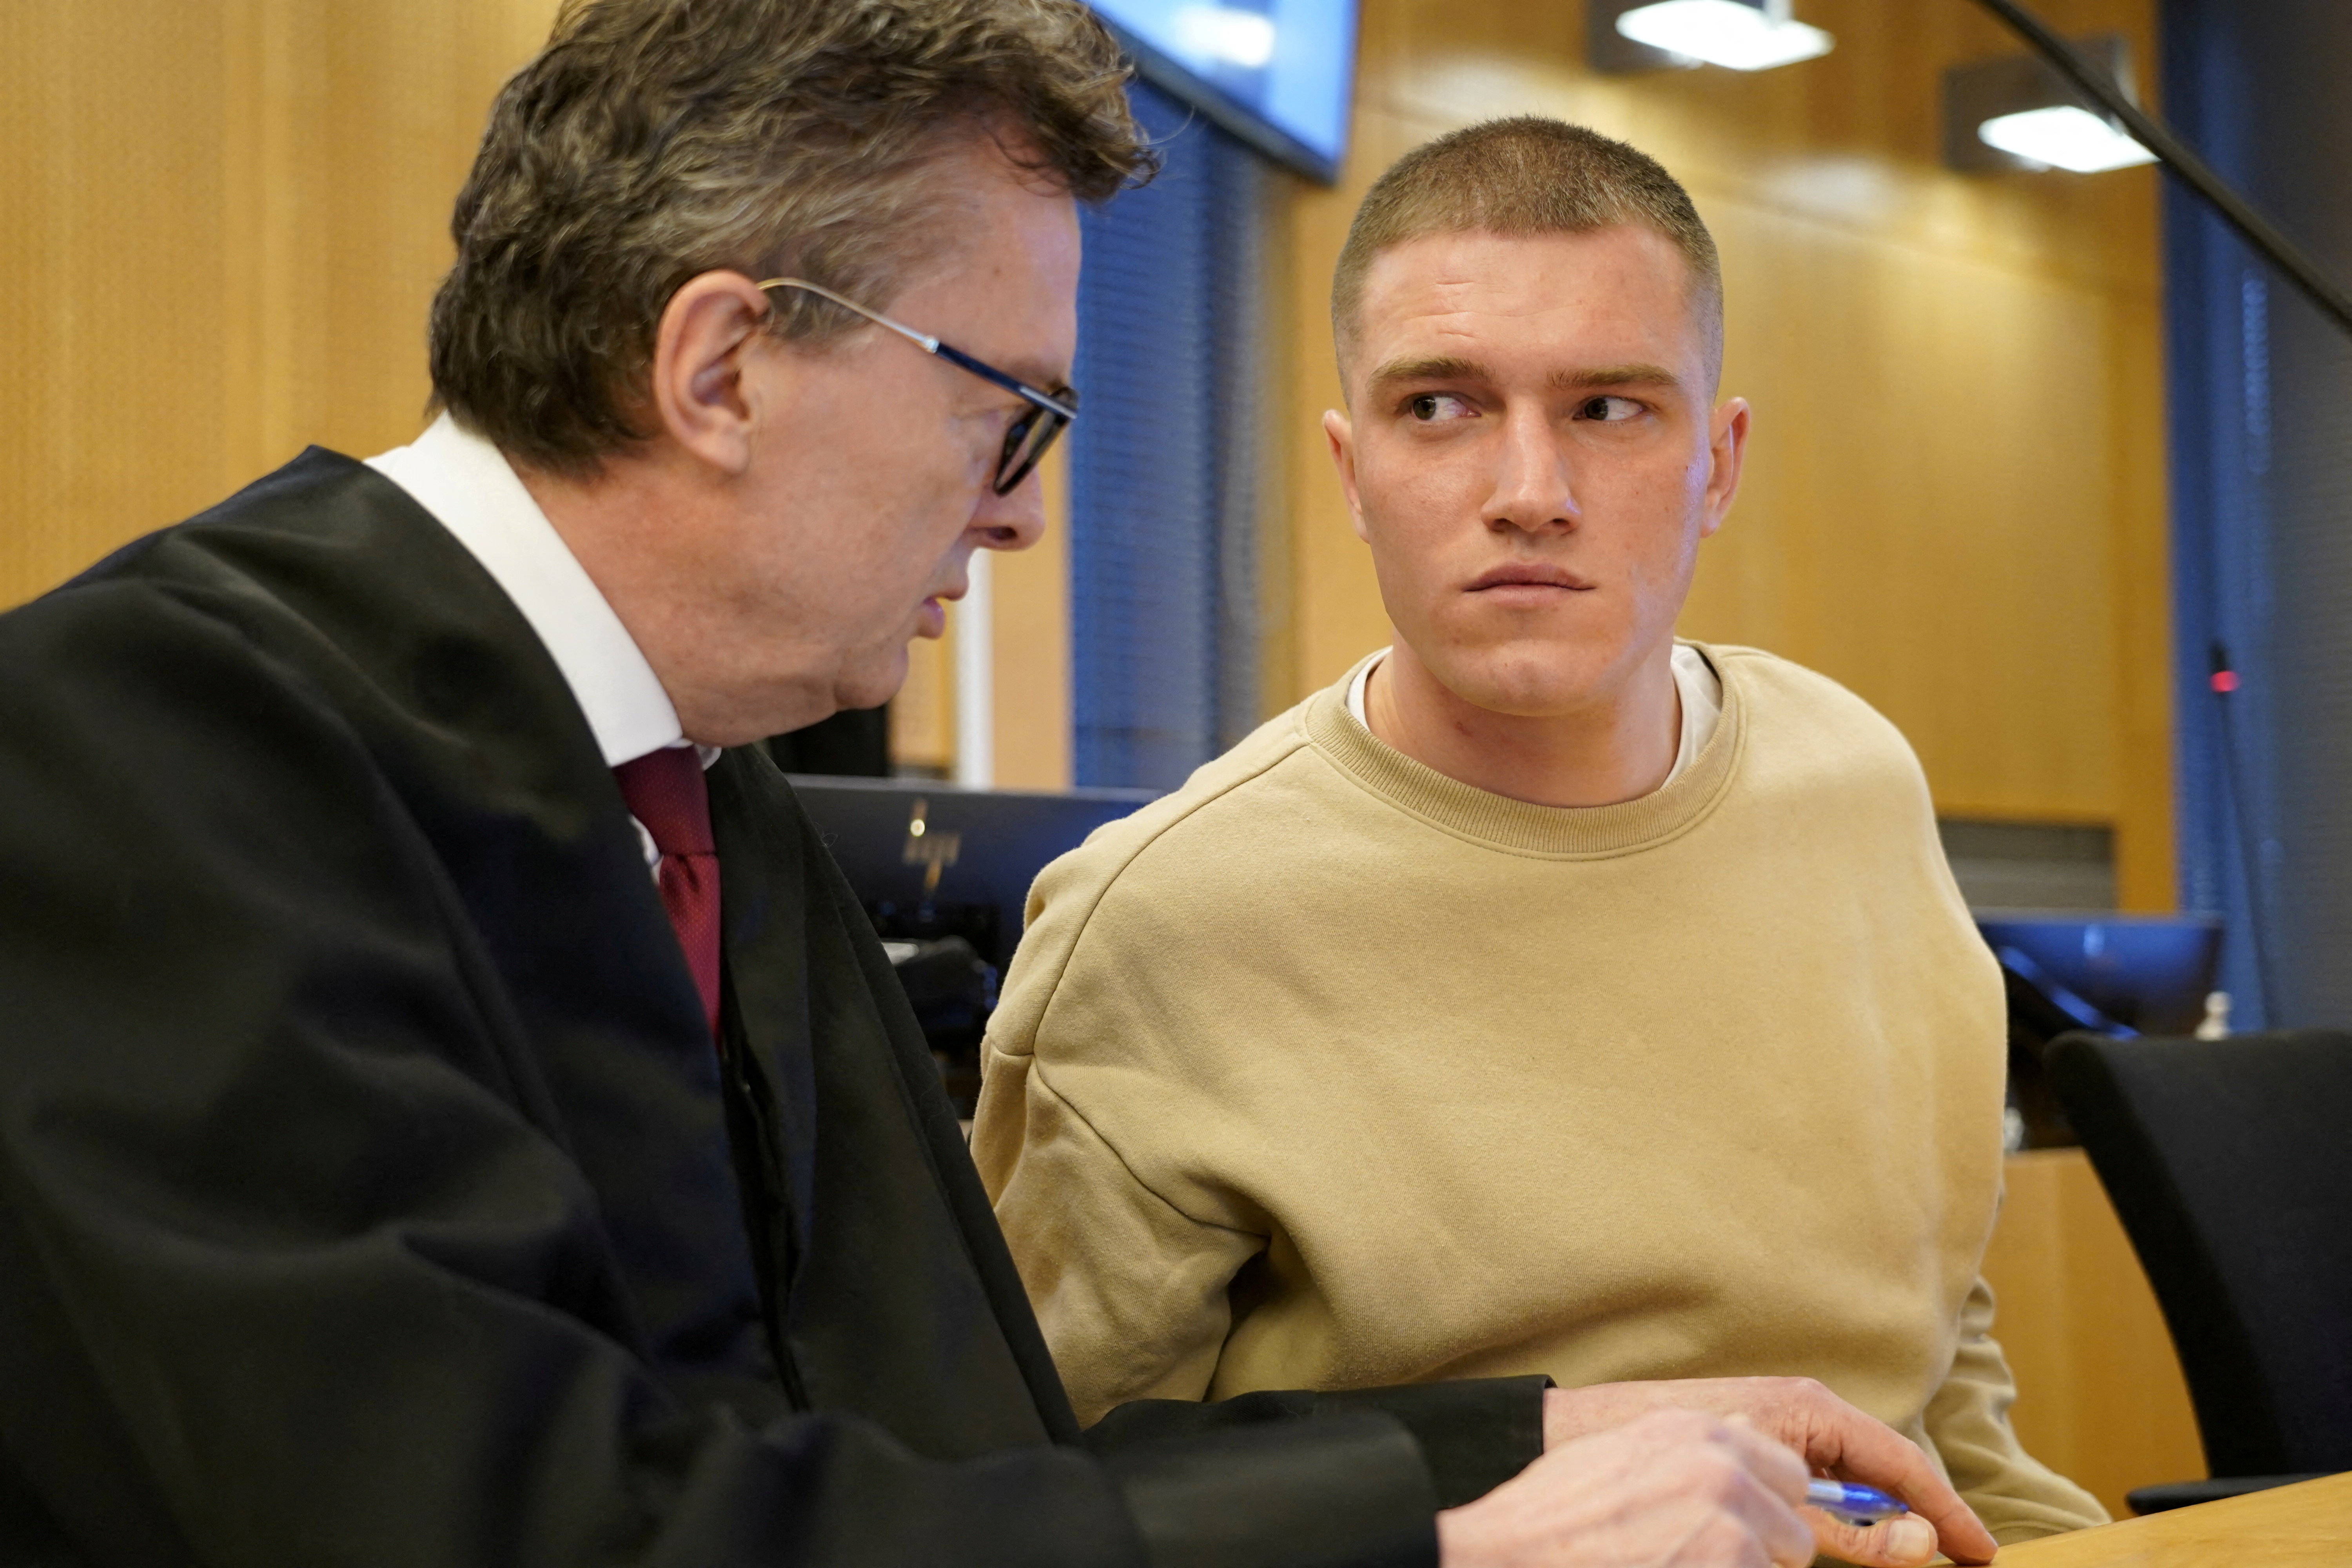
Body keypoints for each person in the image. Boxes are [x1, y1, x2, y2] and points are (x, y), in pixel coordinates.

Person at [0, 8, 1968, 1567]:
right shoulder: (135, 733)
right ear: (723, 366)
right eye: (1004, 410)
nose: (1026, 517)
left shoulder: (712, 793)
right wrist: (1440, 1534)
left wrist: (1538, 1429)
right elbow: (520, 1524)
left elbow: (963, 1462)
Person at [975, 116, 2109, 1555]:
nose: (1528, 491)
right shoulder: (1159, 921)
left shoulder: (1855, 777)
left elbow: (1943, 1365)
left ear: (1719, 460)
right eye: (1439, 407)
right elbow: (1044, 1503)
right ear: (1352, 468)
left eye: (1608, 408)